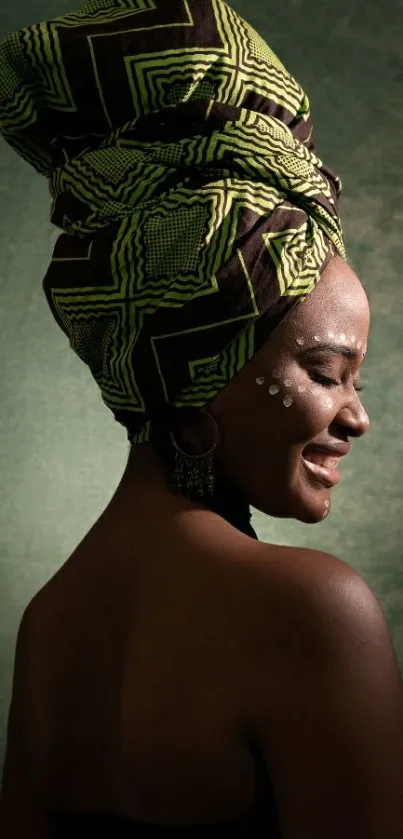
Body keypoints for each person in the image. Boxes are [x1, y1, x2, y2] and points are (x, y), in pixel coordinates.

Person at [1, 1, 403, 836]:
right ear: (198, 370)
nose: (356, 416)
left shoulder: (48, 626)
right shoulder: (312, 610)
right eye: (324, 371)